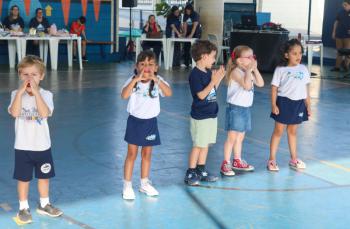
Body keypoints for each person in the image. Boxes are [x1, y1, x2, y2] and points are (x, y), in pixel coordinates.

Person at [8, 55, 63, 224]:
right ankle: (23, 207)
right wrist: (20, 93)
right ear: (19, 75)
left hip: (42, 146)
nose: (29, 78)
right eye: (25, 74)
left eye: (34, 74)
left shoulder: (46, 94)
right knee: (23, 179)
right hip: (23, 147)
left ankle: (44, 204)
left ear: (42, 76)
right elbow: (15, 113)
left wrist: (36, 93)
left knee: (44, 177)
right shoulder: (15, 94)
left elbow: (45, 113)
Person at [121, 50, 172, 200]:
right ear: (137, 67)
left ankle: (144, 183)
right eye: (142, 64)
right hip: (135, 122)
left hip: (150, 122)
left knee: (147, 154)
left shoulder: (158, 81)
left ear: (156, 67)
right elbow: (123, 95)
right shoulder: (132, 80)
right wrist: (135, 80)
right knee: (131, 154)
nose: (146, 68)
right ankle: (127, 185)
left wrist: (157, 80)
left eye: (150, 65)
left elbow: (168, 93)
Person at [184, 40, 226, 186]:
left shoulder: (208, 72)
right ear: (203, 56)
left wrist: (218, 78)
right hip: (200, 116)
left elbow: (212, 90)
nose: (215, 60)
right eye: (213, 56)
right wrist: (212, 81)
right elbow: (201, 95)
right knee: (198, 145)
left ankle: (201, 170)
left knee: (205, 144)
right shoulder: (195, 75)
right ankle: (190, 171)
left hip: (211, 114)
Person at [268, 39, 311, 171]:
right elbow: (274, 88)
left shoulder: (303, 69)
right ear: (286, 55)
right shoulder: (281, 69)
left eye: (300, 53)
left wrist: (308, 106)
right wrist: (274, 105)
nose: (298, 56)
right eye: (294, 53)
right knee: (278, 131)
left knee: (293, 131)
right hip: (284, 102)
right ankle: (272, 160)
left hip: (298, 104)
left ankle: (293, 159)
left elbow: (306, 90)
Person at [220, 46, 264, 176]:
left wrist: (254, 70)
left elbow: (260, 83)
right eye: (249, 57)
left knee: (240, 137)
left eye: (253, 56)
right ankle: (226, 162)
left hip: (245, 109)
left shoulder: (247, 71)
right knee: (232, 137)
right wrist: (249, 71)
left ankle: (237, 160)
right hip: (236, 109)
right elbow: (246, 86)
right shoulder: (236, 72)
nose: (252, 59)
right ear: (239, 61)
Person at [332, 0, 350, 72]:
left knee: (348, 52)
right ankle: (337, 67)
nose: (344, 6)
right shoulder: (340, 12)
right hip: (339, 35)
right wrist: (333, 32)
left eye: (345, 5)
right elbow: (336, 22)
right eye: (343, 5)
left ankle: (346, 66)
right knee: (339, 51)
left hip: (348, 36)